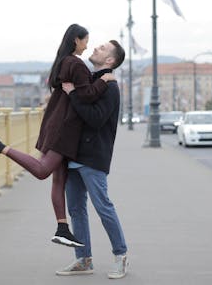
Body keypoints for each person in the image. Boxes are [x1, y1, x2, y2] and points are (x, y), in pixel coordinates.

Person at [0, 24, 115, 247]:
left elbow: (76, 93)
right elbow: (86, 95)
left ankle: (62, 228)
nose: (88, 46)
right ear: (76, 40)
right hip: (65, 129)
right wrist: (104, 80)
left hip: (57, 124)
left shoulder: (64, 61)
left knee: (59, 179)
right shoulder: (75, 63)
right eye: (86, 41)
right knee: (43, 171)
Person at [55, 40, 128, 279]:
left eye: (103, 48)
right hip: (74, 155)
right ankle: (83, 260)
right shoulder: (92, 81)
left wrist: (73, 93)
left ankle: (121, 256)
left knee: (103, 207)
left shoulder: (110, 86)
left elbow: (95, 119)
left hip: (93, 157)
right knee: (76, 209)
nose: (96, 47)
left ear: (110, 61)